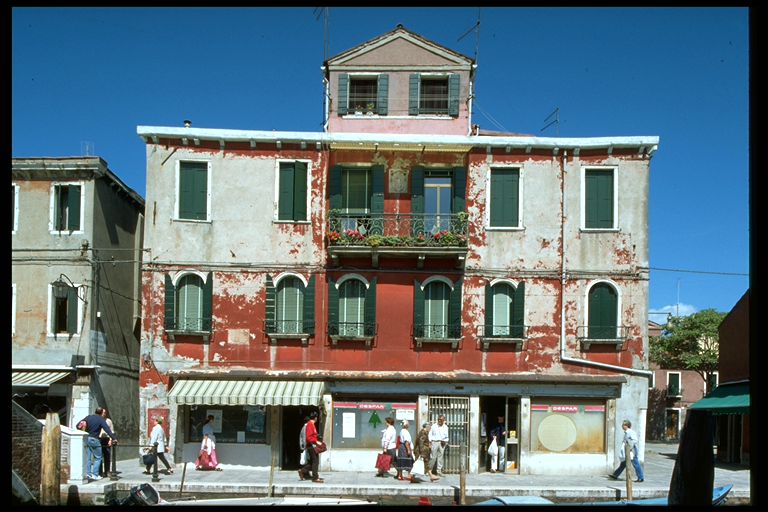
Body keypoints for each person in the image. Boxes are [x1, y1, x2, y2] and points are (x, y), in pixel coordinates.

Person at [79, 406, 117, 481]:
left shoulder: (88, 417)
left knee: (88, 458)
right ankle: (95, 474)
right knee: (98, 457)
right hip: (95, 439)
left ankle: (88, 473)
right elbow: (107, 430)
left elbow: (78, 425)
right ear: (101, 413)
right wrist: (113, 438)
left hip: (87, 438)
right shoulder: (100, 419)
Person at [298, 411, 323, 483]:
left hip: (312, 445)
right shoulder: (310, 424)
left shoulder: (311, 424)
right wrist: (316, 441)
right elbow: (309, 437)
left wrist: (317, 436)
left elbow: (312, 435)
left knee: (312, 462)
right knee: (315, 461)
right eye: (317, 417)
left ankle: (302, 471)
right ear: (315, 418)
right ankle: (315, 477)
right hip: (311, 445)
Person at [99, 408, 115, 477]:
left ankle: (107, 471)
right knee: (99, 456)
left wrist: (111, 439)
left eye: (105, 412)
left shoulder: (108, 421)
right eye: (102, 412)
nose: (103, 414)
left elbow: (112, 431)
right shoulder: (98, 420)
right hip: (99, 439)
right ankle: (100, 472)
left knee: (107, 456)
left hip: (106, 439)